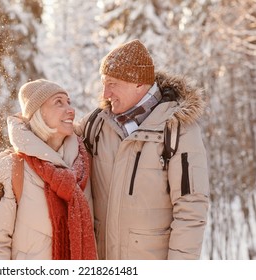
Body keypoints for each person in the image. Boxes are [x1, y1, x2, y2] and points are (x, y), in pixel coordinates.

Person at [75, 39, 210, 260]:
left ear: (138, 83)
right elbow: (53, 140)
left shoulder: (177, 129)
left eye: (112, 84)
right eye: (103, 83)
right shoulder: (97, 124)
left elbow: (191, 208)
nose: (105, 93)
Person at [0, 79, 97, 260]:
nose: (70, 110)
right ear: (39, 112)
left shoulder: (83, 163)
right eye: (58, 102)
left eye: (68, 102)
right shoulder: (12, 169)